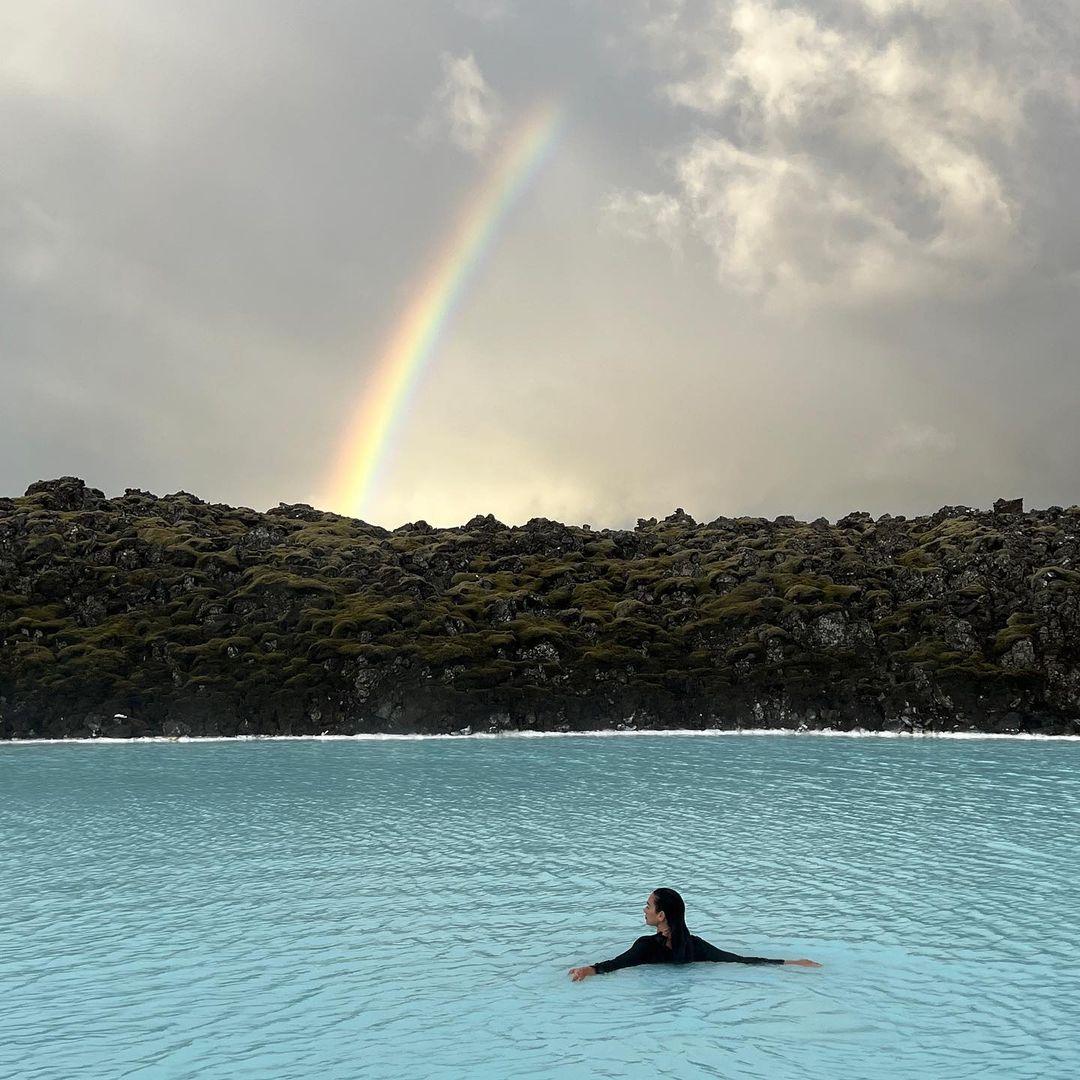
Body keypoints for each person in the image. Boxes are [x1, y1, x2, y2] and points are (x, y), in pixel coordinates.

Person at [568, 888, 822, 981]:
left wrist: (587, 970)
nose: (644, 910)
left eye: (648, 906)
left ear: (661, 916)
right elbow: (737, 959)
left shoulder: (646, 946)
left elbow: (615, 965)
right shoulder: (694, 945)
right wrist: (791, 963)